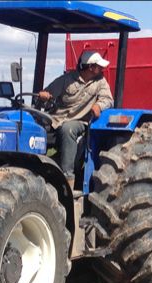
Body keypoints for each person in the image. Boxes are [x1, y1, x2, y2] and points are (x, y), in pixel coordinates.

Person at [38, 51, 114, 184]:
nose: (102, 68)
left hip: (79, 121)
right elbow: (47, 95)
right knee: (34, 128)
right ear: (90, 67)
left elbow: (108, 99)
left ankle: (67, 178)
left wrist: (98, 106)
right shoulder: (66, 80)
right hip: (56, 119)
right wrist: (44, 97)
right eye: (99, 66)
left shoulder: (100, 81)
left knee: (68, 129)